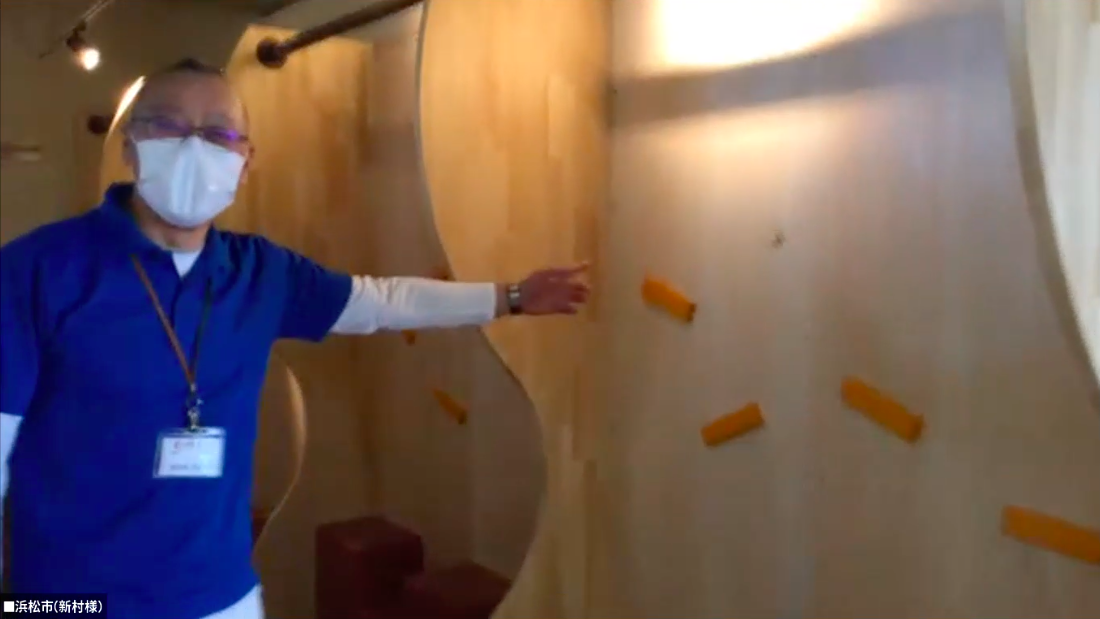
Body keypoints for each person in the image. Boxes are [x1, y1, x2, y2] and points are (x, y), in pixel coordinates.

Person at [0, 58, 589, 619]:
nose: (194, 147)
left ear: (245, 161)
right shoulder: (36, 270)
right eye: (169, 126)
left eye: (218, 133)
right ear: (130, 144)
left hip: (221, 595)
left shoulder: (259, 272)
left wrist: (510, 297)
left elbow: (379, 301)